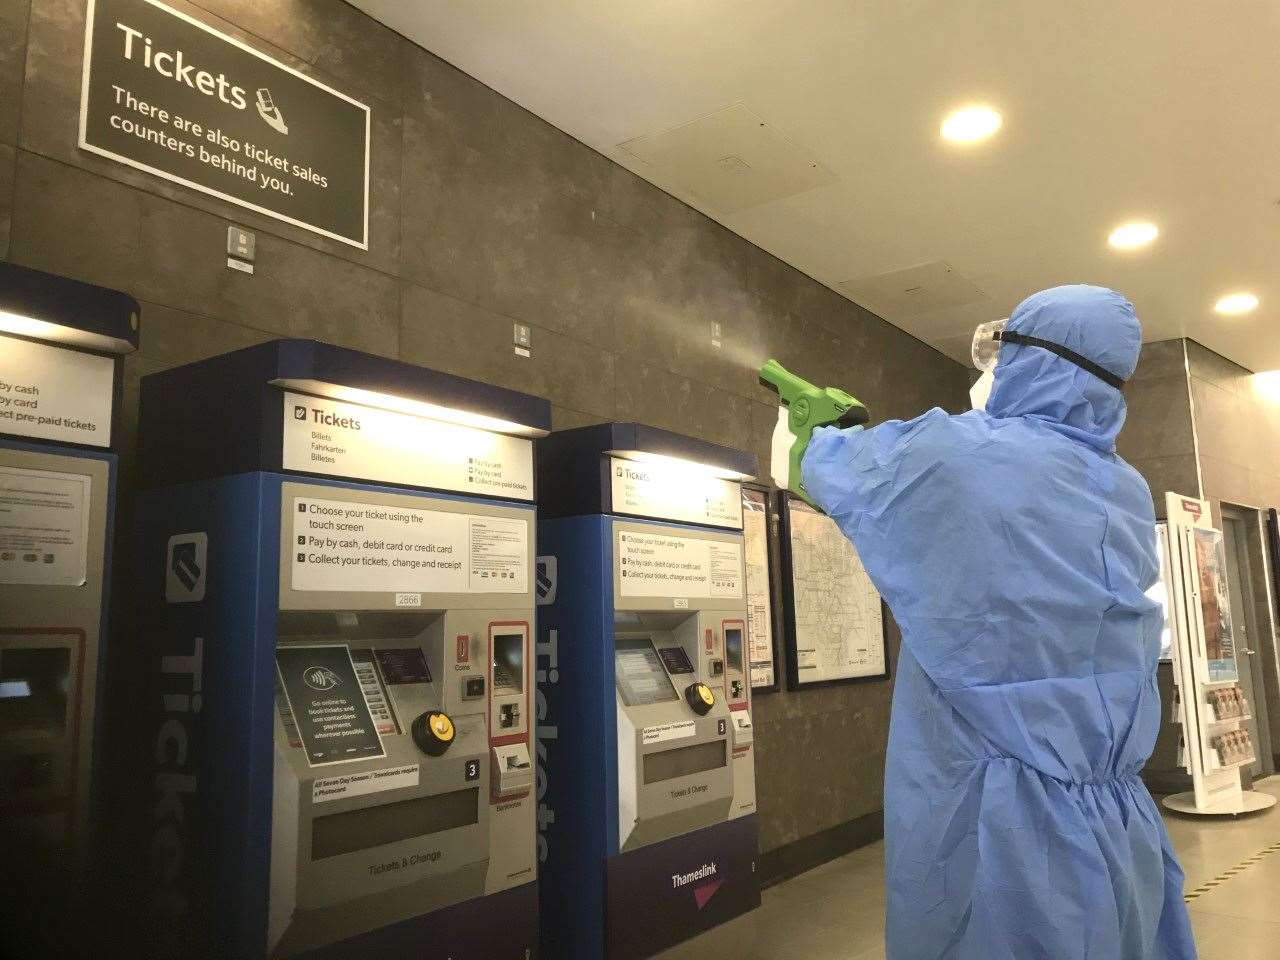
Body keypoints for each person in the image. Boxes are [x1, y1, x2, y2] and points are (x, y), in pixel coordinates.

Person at [801, 285, 1197, 959]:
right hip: (1116, 815)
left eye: (1001, 352)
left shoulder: (962, 451)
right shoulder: (1123, 484)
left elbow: (827, 470)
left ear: (1033, 361)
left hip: (995, 815)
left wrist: (820, 428)